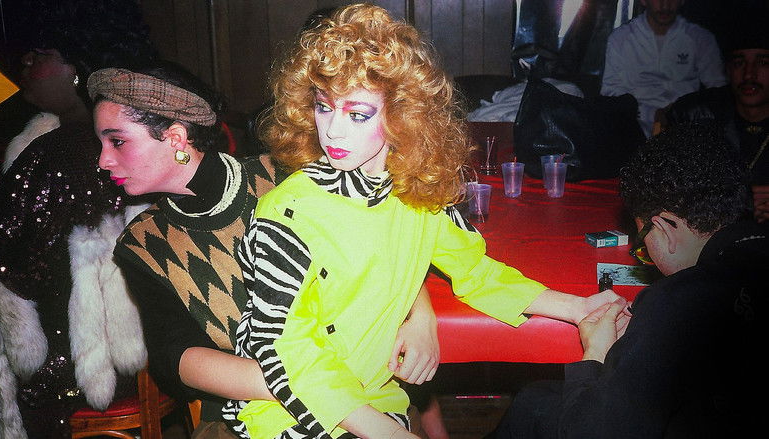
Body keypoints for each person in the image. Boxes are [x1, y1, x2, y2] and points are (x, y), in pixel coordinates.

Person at [223, 4, 623, 439]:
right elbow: (285, 349)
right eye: (323, 107)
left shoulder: (418, 195)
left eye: (357, 114)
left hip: (375, 397)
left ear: (402, 116)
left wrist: (578, 308)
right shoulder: (288, 213)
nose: (333, 131)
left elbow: (477, 273)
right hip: (293, 410)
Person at [88, 61, 440, 437]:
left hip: (366, 382)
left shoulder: (288, 175)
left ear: (176, 137)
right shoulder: (142, 243)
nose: (103, 160)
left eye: (117, 141)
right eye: (103, 144)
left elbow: (387, 238)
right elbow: (176, 359)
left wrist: (422, 318)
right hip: (252, 413)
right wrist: (319, 389)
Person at [490, 122, 764, 438]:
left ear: (664, 228)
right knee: (537, 399)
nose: (645, 254)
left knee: (535, 405)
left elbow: (589, 433)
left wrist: (596, 353)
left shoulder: (675, 301)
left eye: (643, 243)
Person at [0, 1, 157, 437]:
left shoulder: (59, 153)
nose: (26, 62)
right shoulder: (120, 136)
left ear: (80, 68)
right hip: (144, 351)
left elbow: (13, 265)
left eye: (42, 53)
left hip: (74, 365)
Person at [665, 8, 769, 223]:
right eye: (739, 63)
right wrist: (745, 204)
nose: (749, 74)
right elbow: (671, 189)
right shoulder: (694, 115)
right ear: (727, 70)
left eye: (763, 62)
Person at [600, 0, 726, 137]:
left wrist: (680, 112)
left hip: (686, 132)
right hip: (632, 132)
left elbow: (719, 91)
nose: (665, 5)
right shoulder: (620, 39)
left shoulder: (701, 39)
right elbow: (610, 93)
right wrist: (651, 114)